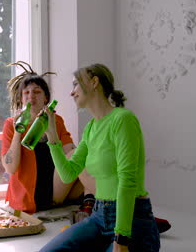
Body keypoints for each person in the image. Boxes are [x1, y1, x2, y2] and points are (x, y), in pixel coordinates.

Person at [39, 63, 160, 251]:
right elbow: (67, 174)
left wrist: (121, 238)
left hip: (132, 219)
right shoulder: (91, 128)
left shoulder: (123, 119)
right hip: (98, 215)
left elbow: (127, 180)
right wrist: (52, 135)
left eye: (75, 85)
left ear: (94, 82)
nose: (71, 93)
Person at [1, 61, 95, 214]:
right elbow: (10, 168)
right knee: (83, 154)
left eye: (37, 92)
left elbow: (70, 152)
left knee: (85, 154)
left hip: (58, 188)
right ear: (20, 99)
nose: (31, 96)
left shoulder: (56, 120)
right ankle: (92, 204)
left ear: (46, 98)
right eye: (26, 93)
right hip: (32, 195)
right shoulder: (11, 124)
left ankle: (91, 203)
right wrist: (18, 131)